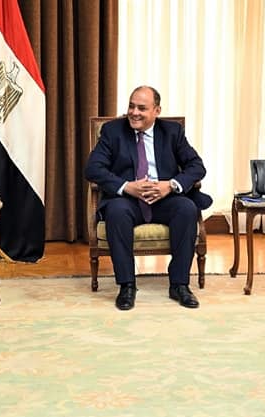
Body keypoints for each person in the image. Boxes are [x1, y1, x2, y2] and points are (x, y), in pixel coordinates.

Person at [85, 86, 212, 311]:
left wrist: (170, 185)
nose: (134, 112)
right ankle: (127, 286)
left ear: (156, 111)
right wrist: (127, 187)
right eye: (131, 106)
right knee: (116, 211)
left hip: (164, 199)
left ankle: (179, 285)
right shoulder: (112, 131)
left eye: (142, 108)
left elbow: (196, 166)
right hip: (128, 200)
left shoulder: (172, 132)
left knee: (186, 208)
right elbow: (93, 168)